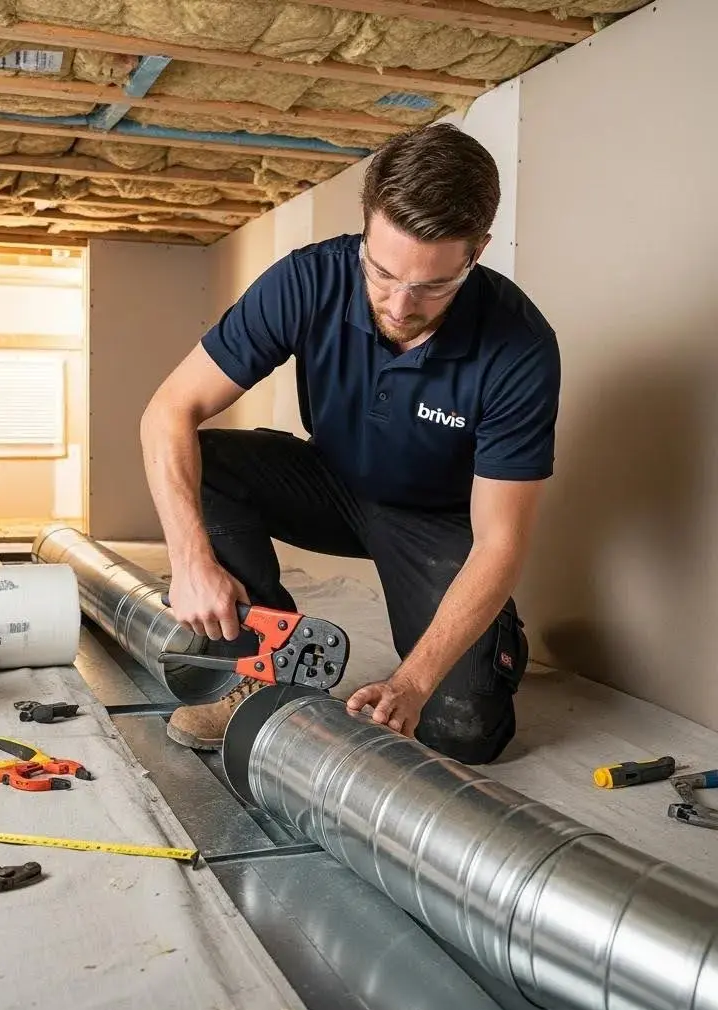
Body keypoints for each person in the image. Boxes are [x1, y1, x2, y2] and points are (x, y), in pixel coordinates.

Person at [139, 122, 560, 765]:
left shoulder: (519, 347)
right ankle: (263, 671)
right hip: (331, 482)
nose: (399, 303)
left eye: (432, 287)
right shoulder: (309, 281)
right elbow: (168, 409)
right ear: (365, 226)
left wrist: (413, 683)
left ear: (478, 250)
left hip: (435, 520)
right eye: (383, 272)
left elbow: (501, 540)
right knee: (208, 465)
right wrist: (191, 559)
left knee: (466, 730)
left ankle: (495, 641)